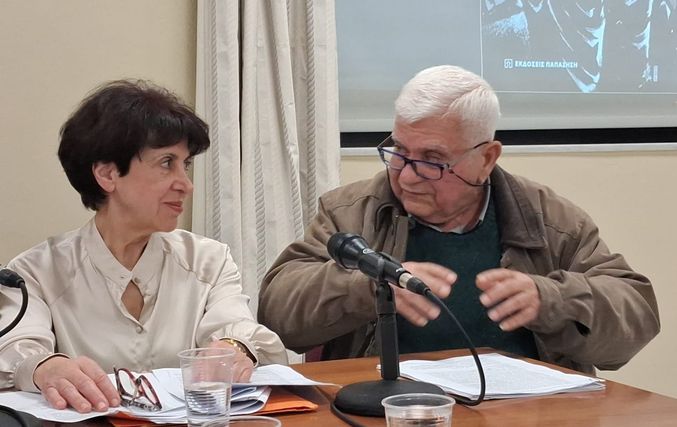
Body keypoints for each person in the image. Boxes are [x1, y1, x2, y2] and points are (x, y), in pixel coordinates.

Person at [258, 65, 660, 374]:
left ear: (486, 158)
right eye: (399, 151)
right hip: (387, 411)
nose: (406, 176)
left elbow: (635, 317)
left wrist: (551, 300)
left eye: (431, 160)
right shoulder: (350, 212)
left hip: (527, 413)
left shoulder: (550, 220)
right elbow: (277, 312)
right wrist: (367, 288)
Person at [0, 80, 288, 413]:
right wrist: (46, 368)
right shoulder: (35, 272)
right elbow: (16, 349)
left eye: (185, 164)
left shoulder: (208, 260)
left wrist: (235, 348)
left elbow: (238, 330)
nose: (186, 185)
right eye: (167, 163)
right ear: (108, 174)